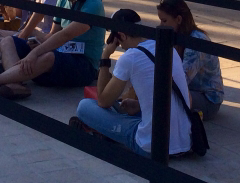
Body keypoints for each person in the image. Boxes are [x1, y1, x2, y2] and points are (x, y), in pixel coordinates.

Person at [72, 8, 192, 157]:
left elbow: (103, 101)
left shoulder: (130, 57)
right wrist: (140, 105)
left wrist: (105, 57)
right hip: (185, 142)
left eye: (116, 42)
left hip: (151, 147)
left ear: (121, 35)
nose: (120, 47)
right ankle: (106, 131)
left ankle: (103, 130)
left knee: (85, 107)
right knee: (123, 108)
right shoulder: (167, 48)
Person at [157, 0, 224, 120]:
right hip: (190, 91)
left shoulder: (196, 41)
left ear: (178, 19)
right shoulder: (177, 37)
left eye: (164, 21)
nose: (161, 25)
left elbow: (181, 80)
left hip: (208, 99)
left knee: (165, 98)